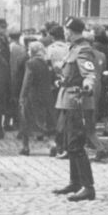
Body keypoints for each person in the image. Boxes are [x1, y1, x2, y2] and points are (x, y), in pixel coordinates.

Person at [51, 17, 97, 202]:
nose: (65, 33)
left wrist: (88, 86)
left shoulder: (83, 49)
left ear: (72, 31)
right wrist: (62, 80)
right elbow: (72, 73)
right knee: (69, 143)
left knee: (76, 144)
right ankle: (75, 182)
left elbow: (89, 73)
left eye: (66, 30)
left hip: (76, 101)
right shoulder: (73, 47)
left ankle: (88, 187)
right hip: (67, 100)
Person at [18, 42, 52, 155]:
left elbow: (27, 81)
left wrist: (22, 96)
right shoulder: (44, 63)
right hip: (45, 95)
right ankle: (52, 144)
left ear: (32, 51)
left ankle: (25, 147)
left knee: (25, 121)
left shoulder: (30, 63)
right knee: (42, 122)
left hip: (32, 96)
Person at [45, 25, 70, 157]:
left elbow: (48, 68)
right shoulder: (68, 48)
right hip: (66, 82)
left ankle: (55, 143)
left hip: (54, 84)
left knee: (53, 114)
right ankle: (63, 143)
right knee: (64, 115)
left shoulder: (50, 49)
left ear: (53, 37)